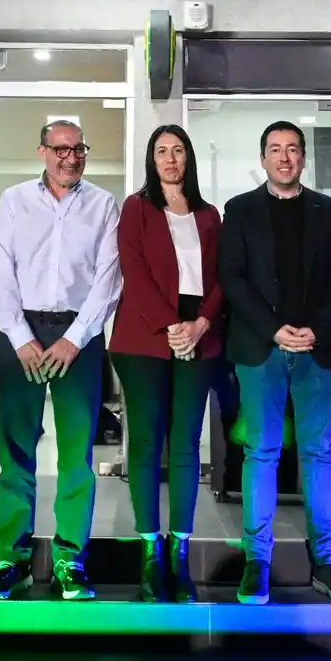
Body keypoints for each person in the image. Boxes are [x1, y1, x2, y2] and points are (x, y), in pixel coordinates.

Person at [219, 121, 331, 607]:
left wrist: (316, 329)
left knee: (320, 453)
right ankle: (256, 561)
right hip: (261, 350)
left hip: (316, 350)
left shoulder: (328, 210)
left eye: (293, 150)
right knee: (260, 452)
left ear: (303, 158)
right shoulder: (238, 210)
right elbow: (232, 279)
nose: (285, 157)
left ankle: (328, 563)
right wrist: (274, 329)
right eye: (275, 150)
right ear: (263, 159)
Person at [0, 120, 122, 601]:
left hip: (78, 340)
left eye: (78, 148)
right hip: (19, 334)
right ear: (42, 151)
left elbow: (108, 280)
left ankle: (69, 560)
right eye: (61, 149)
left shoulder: (104, 205)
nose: (71, 157)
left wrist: (74, 339)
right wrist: (21, 337)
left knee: (77, 455)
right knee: (15, 450)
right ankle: (12, 559)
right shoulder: (15, 201)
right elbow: (0, 276)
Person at [110, 125, 224, 603]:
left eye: (178, 150)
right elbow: (132, 271)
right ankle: (150, 553)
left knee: (184, 445)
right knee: (146, 442)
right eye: (162, 151)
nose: (171, 159)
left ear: (189, 158)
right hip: (143, 336)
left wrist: (198, 324)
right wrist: (171, 325)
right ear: (151, 160)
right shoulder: (136, 208)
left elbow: (224, 277)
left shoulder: (209, 214)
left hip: (200, 331)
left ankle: (179, 550)